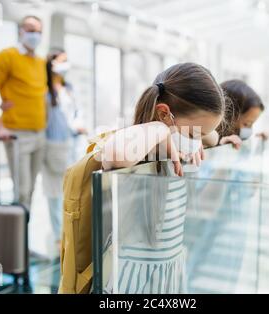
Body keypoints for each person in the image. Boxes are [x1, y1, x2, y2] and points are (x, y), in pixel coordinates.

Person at [100, 63, 225, 293]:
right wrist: (161, 129)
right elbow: (115, 154)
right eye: (192, 134)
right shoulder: (141, 146)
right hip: (135, 277)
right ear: (164, 113)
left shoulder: (183, 141)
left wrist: (199, 136)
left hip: (169, 269)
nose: (195, 140)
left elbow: (214, 137)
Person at [0, 16, 47, 211]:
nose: (34, 34)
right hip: (18, 135)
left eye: (38, 31)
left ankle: (22, 236)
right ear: (20, 30)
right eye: (30, 29)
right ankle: (18, 240)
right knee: (22, 191)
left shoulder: (40, 62)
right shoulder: (6, 56)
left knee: (32, 190)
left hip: (40, 134)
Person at [43, 48, 87, 249]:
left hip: (73, 144)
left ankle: (71, 231)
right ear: (51, 64)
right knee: (54, 191)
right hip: (53, 145)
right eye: (62, 61)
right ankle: (58, 235)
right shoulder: (43, 90)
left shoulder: (69, 88)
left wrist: (78, 124)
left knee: (72, 189)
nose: (65, 65)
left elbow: (76, 112)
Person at [203, 79, 268, 149]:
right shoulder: (199, 133)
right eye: (247, 124)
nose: (249, 130)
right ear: (228, 114)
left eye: (252, 124)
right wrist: (218, 144)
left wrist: (257, 139)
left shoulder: (233, 138)